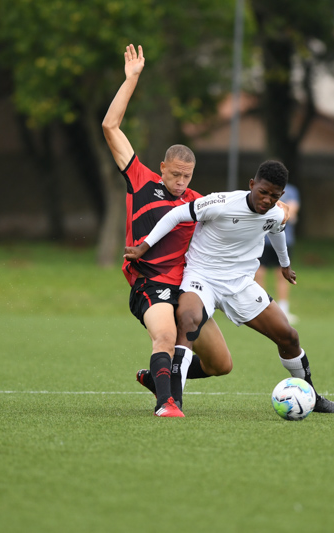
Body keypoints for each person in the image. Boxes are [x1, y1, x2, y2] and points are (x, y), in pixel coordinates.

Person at [124, 160, 334, 414]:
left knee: (289, 336)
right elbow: (177, 214)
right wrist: (144, 246)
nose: (266, 200)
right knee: (188, 321)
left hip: (240, 283)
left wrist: (285, 265)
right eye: (262, 192)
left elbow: (277, 230)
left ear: (281, 195)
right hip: (202, 277)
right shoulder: (221, 203)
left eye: (274, 196)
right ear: (252, 185)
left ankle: (312, 396)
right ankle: (172, 402)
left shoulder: (275, 212)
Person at [102, 44, 234, 417]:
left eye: (186, 176)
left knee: (221, 364)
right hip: (151, 283)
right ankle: (167, 402)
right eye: (174, 173)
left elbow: (239, 211)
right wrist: (131, 79)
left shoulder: (197, 201)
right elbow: (110, 126)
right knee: (165, 336)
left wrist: (278, 208)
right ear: (162, 167)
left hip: (188, 290)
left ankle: (157, 377)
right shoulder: (141, 179)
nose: (179, 181)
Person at [255, 182, 300, 324]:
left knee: (283, 275)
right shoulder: (261, 190)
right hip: (262, 240)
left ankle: (283, 310)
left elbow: (291, 214)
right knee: (259, 273)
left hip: (285, 241)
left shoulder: (291, 190)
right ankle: (260, 309)